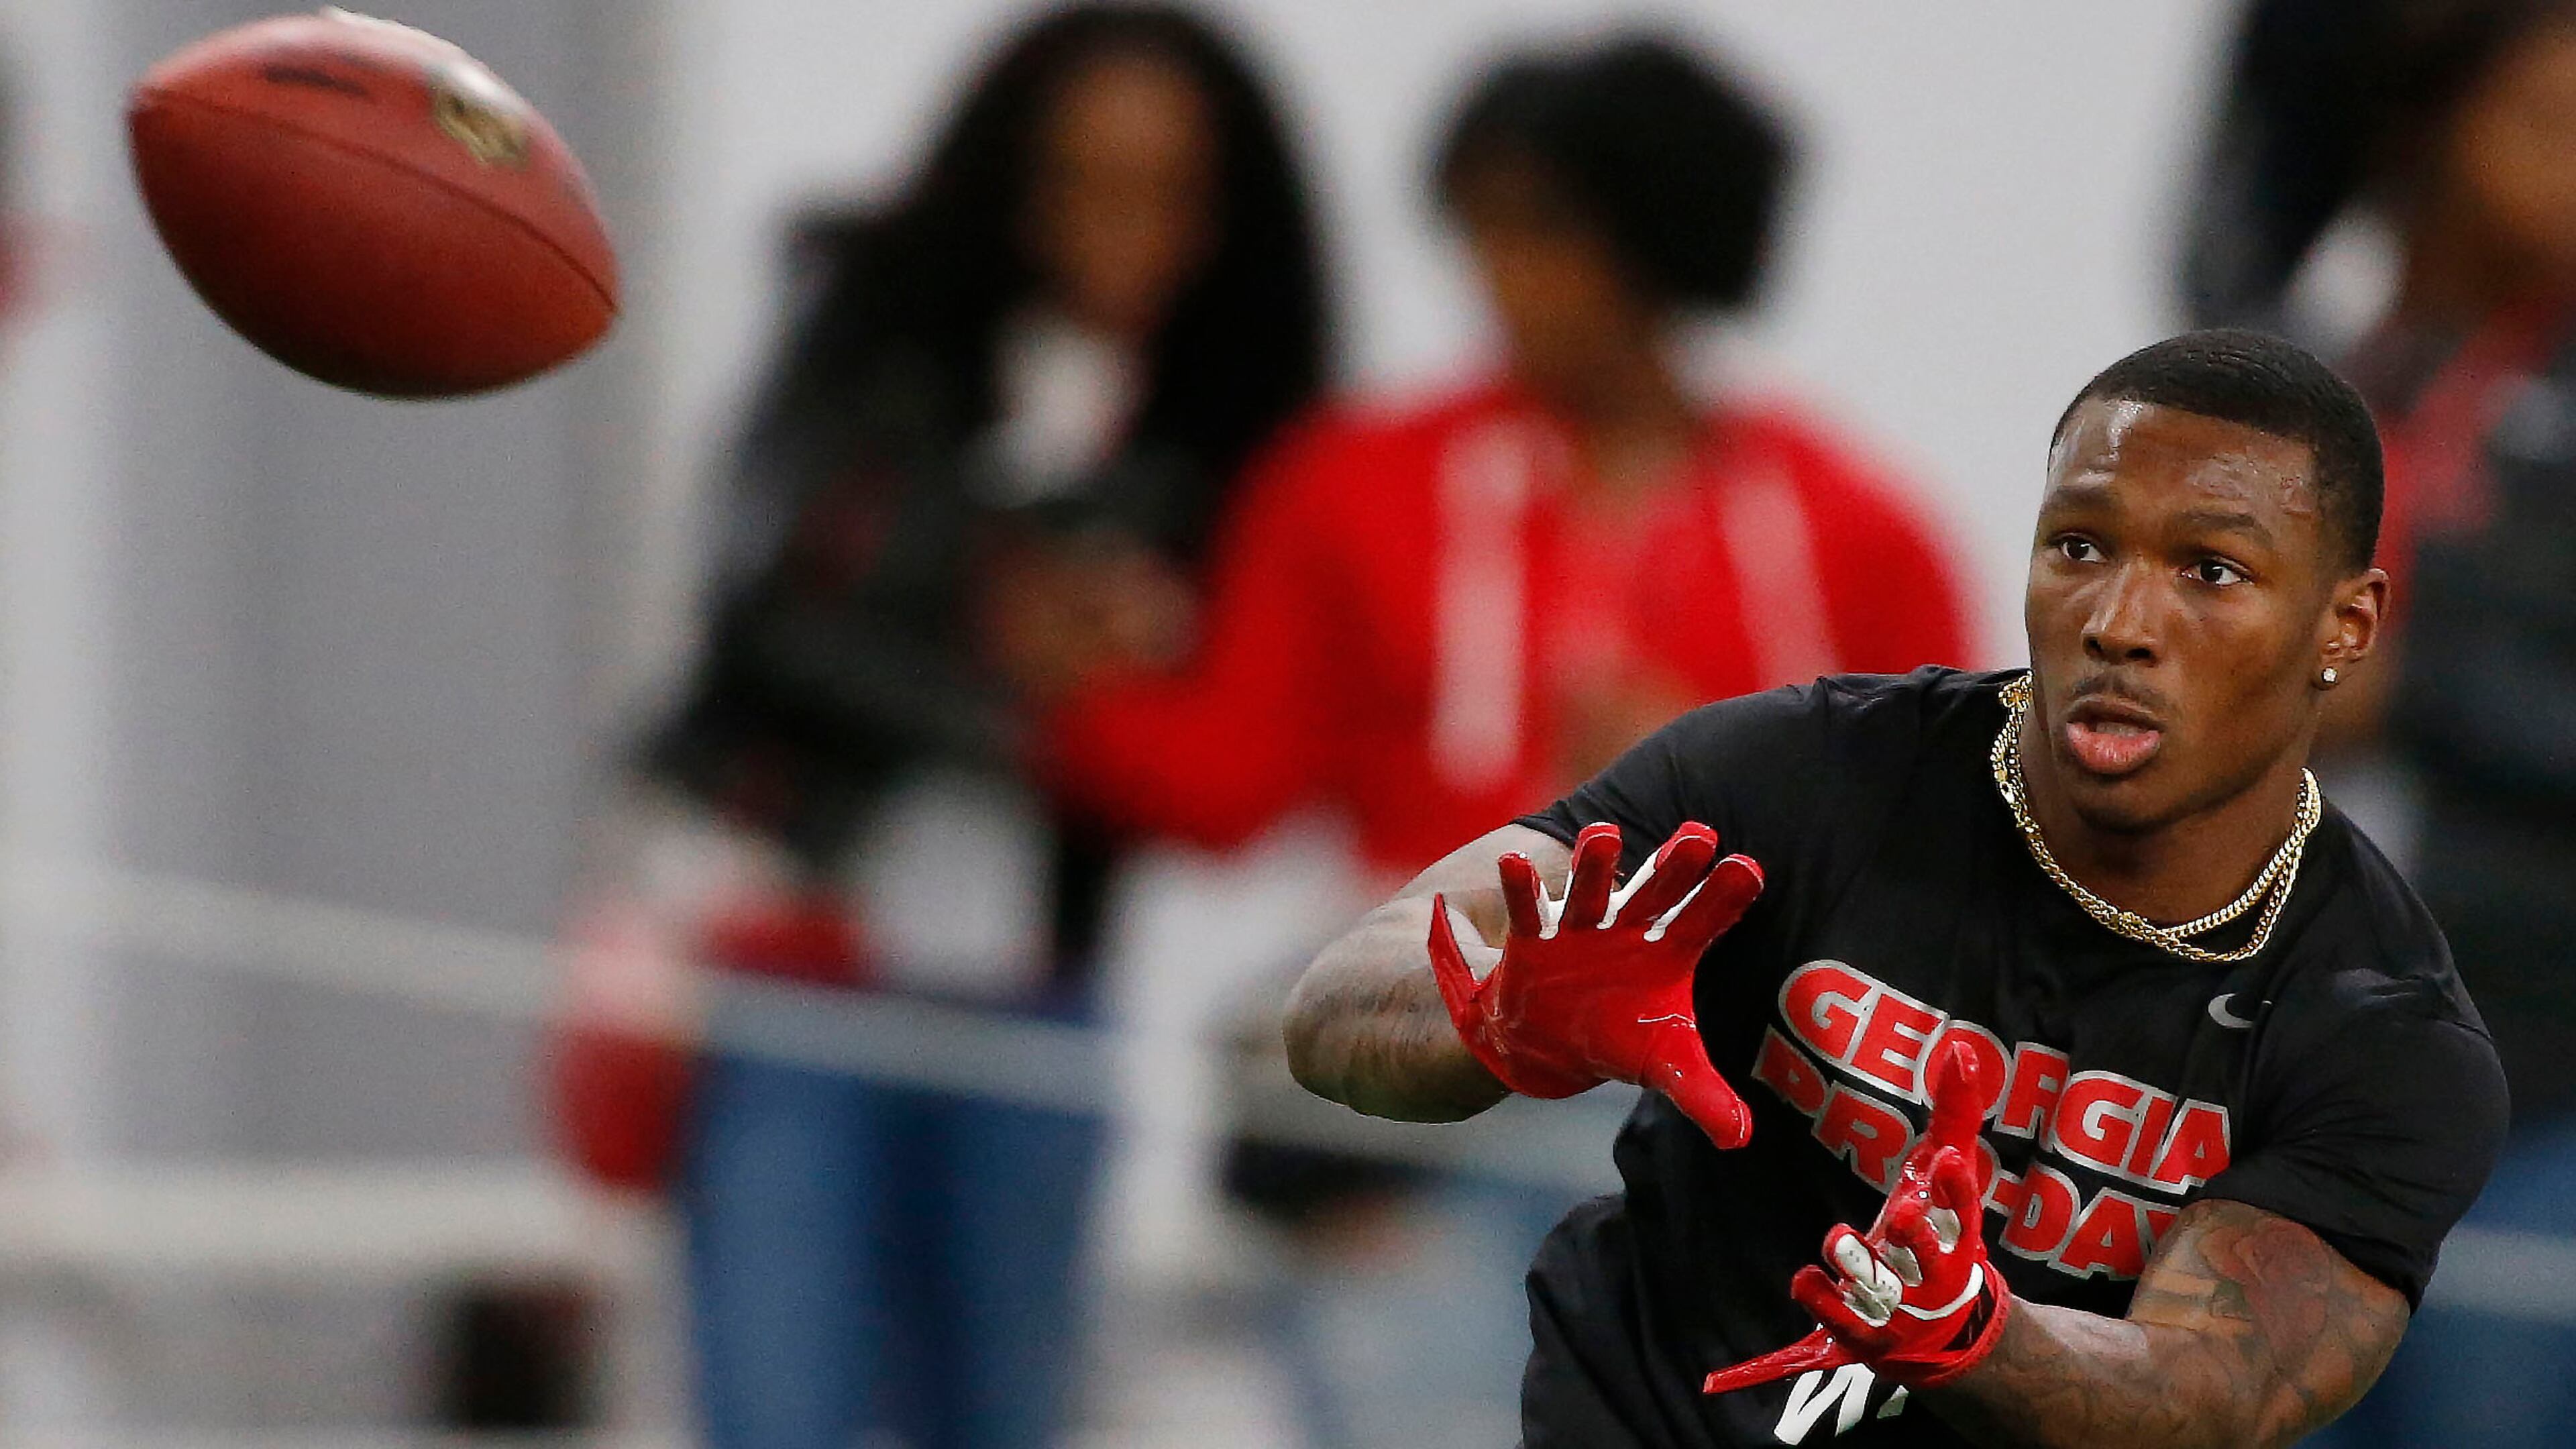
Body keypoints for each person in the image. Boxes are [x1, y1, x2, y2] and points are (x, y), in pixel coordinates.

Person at [1283, 329, 2507, 1447]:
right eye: (2080, 546)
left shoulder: (2383, 1031)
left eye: (2213, 571)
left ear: (2345, 625)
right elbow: (1335, 1006)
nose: (2121, 621)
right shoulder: (1805, 780)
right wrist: (1495, 1019)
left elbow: (2209, 1388)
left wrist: (1975, 1331)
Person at [1014, 36, 1970, 1444]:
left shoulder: (1848, 532)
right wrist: (1067, 682)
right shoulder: (1361, 484)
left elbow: (1956, 859)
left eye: (1545, 234)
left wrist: (1723, 789)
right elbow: (1231, 778)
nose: (1503, 279)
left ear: (1661, 244)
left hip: (1735, 1140)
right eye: (1484, 235)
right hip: (1430, 1115)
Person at [557, 8, 1331, 1448]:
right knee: (781, 1408)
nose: (1126, 236)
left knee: (1006, 1411)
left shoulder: (1233, 434)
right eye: (1082, 184)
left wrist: (1085, 685)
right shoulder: (876, 342)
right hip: (804, 972)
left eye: (1173, 195)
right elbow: (764, 613)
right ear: (1008, 182)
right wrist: (1020, 666)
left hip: (1038, 1000)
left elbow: (1228, 751)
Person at [2184, 3, 2576, 1442]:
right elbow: (2241, 181)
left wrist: (2424, 698)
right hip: (2258, 1104)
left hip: (2536, 1094)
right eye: (2545, 121)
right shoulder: (2323, 364)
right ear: (2436, 132)